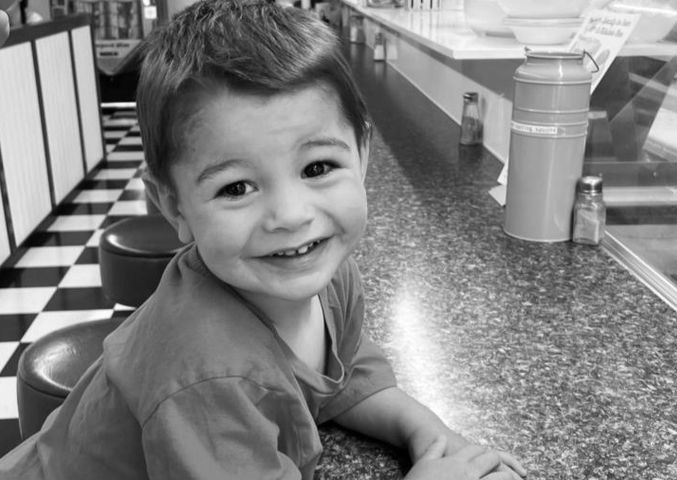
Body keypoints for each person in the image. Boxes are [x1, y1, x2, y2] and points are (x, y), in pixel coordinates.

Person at [0, 1, 527, 478]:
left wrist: (430, 435)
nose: (292, 217)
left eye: (318, 167)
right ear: (173, 206)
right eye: (236, 188)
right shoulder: (206, 378)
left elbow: (345, 378)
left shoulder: (328, 276)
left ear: (363, 155)